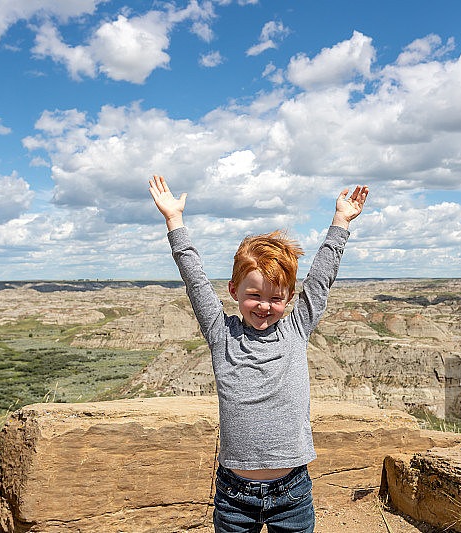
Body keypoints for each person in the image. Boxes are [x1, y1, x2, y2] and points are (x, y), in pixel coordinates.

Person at [149, 175, 368, 533]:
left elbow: (320, 280)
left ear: (289, 299)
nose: (265, 306)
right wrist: (174, 220)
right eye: (255, 295)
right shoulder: (222, 335)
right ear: (234, 290)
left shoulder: (296, 330)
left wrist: (341, 222)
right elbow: (195, 280)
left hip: (293, 493)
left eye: (276, 297)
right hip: (234, 497)